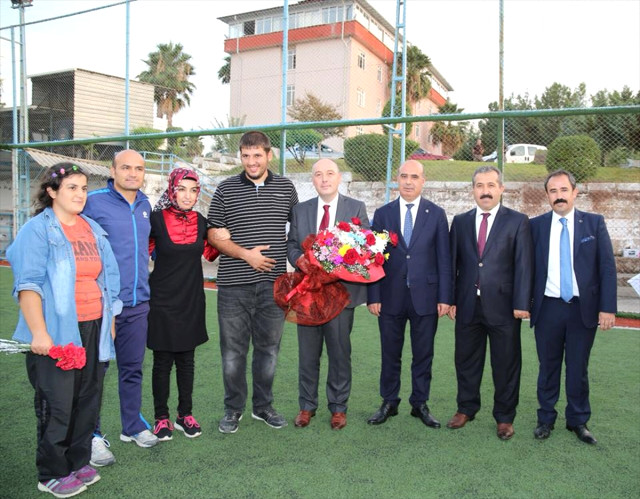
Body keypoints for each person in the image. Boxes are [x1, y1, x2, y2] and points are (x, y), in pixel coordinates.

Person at [8, 163, 121, 498]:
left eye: (84, 188)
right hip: (56, 331)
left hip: (94, 327)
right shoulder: (37, 230)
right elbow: (28, 285)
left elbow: (109, 281)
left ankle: (77, 460)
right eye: (72, 187)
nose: (80, 195)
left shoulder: (93, 229)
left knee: (88, 400)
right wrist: (39, 333)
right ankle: (52, 471)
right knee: (57, 403)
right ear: (52, 192)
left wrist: (110, 324)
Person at [207, 131, 299, 434]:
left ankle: (263, 407)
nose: (251, 161)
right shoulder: (225, 189)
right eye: (245, 156)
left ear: (268, 155)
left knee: (269, 350)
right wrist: (247, 255)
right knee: (233, 352)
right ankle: (233, 409)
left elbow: (296, 231)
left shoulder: (286, 188)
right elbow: (214, 235)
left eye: (257, 155)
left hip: (274, 286)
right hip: (234, 285)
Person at [530, 169, 616, 445]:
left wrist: (607, 308)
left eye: (563, 190)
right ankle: (545, 419)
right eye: (553, 191)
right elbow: (525, 268)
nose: (559, 196)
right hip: (548, 308)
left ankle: (578, 420)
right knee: (548, 367)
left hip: (583, 310)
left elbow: (607, 268)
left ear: (575, 192)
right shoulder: (536, 226)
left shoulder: (594, 224)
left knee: (578, 368)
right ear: (547, 196)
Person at [447, 165, 533, 441]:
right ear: (473, 189)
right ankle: (466, 408)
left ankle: (505, 417)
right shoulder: (460, 221)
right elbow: (453, 265)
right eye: (480, 185)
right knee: (466, 360)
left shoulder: (517, 221)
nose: (485, 191)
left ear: (501, 189)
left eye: (491, 185)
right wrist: (450, 300)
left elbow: (523, 266)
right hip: (467, 305)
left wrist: (522, 302)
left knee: (506, 364)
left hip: (505, 306)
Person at [83, 149, 158, 458]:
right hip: (101, 305)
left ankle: (132, 426)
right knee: (95, 372)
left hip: (139, 302)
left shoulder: (144, 203)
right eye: (125, 167)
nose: (132, 173)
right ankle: (92, 434)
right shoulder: (93, 201)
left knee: (132, 368)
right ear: (111, 170)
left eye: (138, 168)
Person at [366, 160, 451, 428]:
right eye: (404, 176)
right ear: (397, 179)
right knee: (390, 352)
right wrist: (374, 295)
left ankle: (420, 403)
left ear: (423, 181)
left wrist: (445, 297)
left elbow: (444, 259)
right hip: (390, 296)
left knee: (423, 353)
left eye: (415, 176)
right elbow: (374, 258)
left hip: (426, 296)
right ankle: (389, 401)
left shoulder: (436, 214)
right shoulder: (383, 214)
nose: (409, 181)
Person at [287, 159, 369, 430]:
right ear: (313, 179)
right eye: (318, 174)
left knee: (339, 353)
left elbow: (364, 250)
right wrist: (300, 260)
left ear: (339, 178)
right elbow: (291, 245)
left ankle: (338, 407)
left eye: (330, 173)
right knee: (308, 354)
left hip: (341, 296)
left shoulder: (355, 208)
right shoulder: (300, 210)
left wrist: (338, 265)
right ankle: (306, 406)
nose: (324, 179)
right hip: (309, 296)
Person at [148, 168, 219, 441]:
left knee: (187, 360)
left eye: (193, 190)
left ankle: (184, 415)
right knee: (162, 361)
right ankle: (161, 418)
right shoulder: (154, 220)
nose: (187, 196)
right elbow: (138, 250)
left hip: (191, 299)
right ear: (171, 190)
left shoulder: (202, 221)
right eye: (182, 189)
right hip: (162, 300)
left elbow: (214, 251)